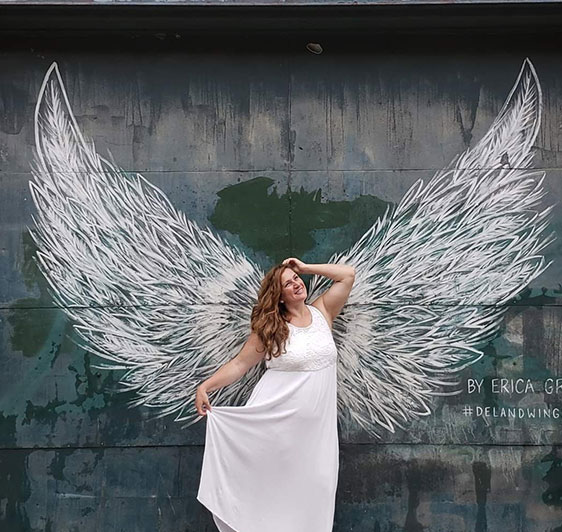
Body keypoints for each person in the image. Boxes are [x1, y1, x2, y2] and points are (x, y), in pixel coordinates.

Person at [195, 257, 355, 532]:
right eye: (288, 284)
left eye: (296, 280)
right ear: (278, 296)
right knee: (271, 492)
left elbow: (347, 275)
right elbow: (239, 364)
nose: (296, 285)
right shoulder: (273, 329)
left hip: (316, 435)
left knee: (316, 490)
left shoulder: (323, 312)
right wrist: (205, 386)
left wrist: (304, 268)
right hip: (277, 428)